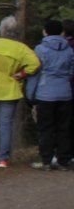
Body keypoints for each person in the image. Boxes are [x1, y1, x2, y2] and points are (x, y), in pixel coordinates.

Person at [0, 15, 40, 168]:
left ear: (2, 30)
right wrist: (22, 74)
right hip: (9, 88)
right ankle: (3, 159)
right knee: (5, 124)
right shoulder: (21, 49)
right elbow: (35, 63)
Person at [27, 18, 74, 170]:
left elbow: (35, 73)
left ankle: (46, 160)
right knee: (63, 128)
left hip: (45, 92)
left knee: (46, 128)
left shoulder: (40, 49)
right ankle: (63, 161)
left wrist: (30, 94)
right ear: (61, 32)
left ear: (45, 31)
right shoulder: (68, 49)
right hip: (65, 92)